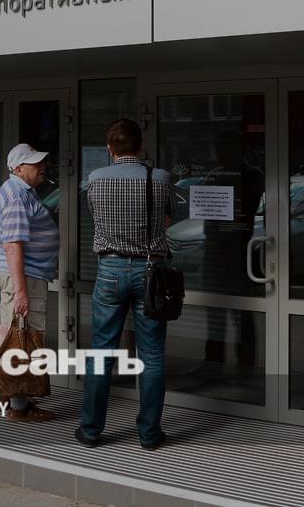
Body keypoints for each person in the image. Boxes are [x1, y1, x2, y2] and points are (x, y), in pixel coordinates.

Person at [77, 119, 173, 450]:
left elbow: (95, 217)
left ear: (110, 149)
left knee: (102, 351)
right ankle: (149, 434)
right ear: (140, 145)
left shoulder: (95, 179)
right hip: (150, 270)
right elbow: (168, 218)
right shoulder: (159, 178)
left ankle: (91, 430)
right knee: (152, 354)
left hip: (110, 269)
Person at [0, 143, 60, 422]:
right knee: (22, 337)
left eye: (42, 162)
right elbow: (13, 245)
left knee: (12, 334)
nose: (42, 167)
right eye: (35, 163)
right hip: (25, 277)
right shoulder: (17, 196)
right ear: (18, 168)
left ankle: (7, 396)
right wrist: (21, 291)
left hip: (26, 275)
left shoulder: (20, 192)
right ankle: (19, 406)